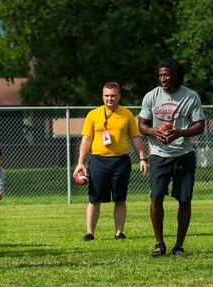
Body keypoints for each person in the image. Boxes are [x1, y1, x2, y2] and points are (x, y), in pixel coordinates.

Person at [138, 58, 205, 257]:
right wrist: (153, 131)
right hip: (159, 155)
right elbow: (141, 124)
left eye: (166, 75)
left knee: (184, 199)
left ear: (175, 75)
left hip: (183, 154)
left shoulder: (190, 96)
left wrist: (180, 132)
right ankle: (159, 243)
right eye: (160, 75)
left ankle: (179, 246)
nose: (163, 79)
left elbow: (199, 125)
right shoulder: (151, 96)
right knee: (156, 196)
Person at [73, 82, 147, 241]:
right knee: (94, 199)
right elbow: (86, 139)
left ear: (119, 96)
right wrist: (80, 162)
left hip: (121, 162)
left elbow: (135, 137)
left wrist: (142, 157)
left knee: (120, 199)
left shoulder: (126, 114)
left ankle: (119, 232)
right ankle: (90, 233)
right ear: (102, 96)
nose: (110, 99)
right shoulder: (93, 114)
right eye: (106, 95)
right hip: (98, 161)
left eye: (113, 95)